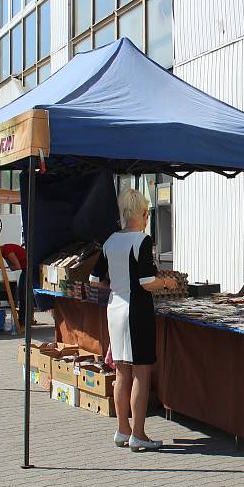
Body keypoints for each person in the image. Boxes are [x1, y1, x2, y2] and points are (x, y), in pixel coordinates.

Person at [89, 189, 178, 452]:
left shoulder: (110, 241)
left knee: (121, 372)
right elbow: (147, 282)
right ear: (143, 213)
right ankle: (138, 433)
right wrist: (167, 282)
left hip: (114, 309)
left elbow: (94, 279)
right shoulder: (141, 241)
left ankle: (122, 429)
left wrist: (116, 287)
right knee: (141, 371)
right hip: (136, 311)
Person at [0, 240, 29, 324]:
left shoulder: (7, 250)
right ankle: (23, 319)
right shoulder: (4, 252)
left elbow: (17, 267)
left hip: (27, 268)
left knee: (22, 294)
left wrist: (5, 269)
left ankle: (23, 320)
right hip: (24, 269)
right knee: (21, 294)